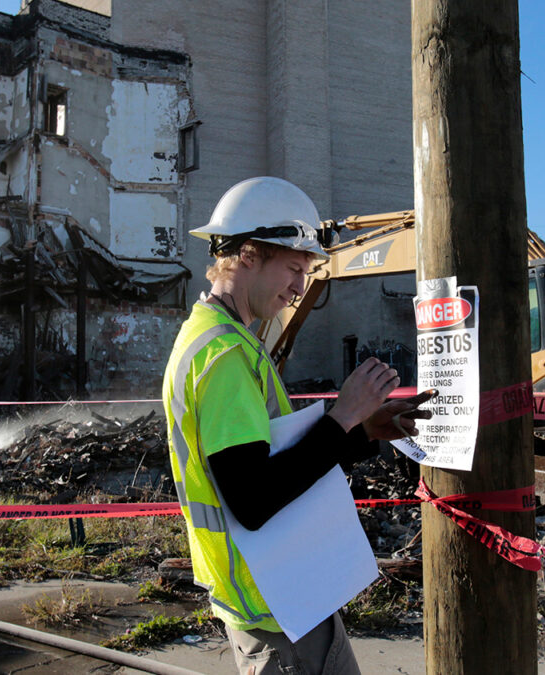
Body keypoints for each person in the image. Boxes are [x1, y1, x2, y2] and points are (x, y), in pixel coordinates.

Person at [162, 176, 433, 674]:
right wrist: (343, 415)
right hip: (275, 603)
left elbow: (280, 458)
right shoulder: (224, 356)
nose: (301, 285)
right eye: (293, 266)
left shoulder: (226, 340)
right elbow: (253, 499)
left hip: (279, 591)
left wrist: (364, 430)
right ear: (248, 254)